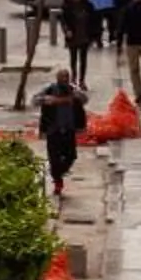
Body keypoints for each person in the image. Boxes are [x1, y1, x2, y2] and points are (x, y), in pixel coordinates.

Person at [37, 69, 88, 200]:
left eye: (66, 78)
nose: (64, 80)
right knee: (54, 157)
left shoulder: (73, 90)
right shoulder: (49, 90)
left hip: (69, 129)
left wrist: (75, 96)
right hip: (53, 130)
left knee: (71, 155)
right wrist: (49, 100)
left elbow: (84, 99)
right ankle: (57, 180)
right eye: (62, 78)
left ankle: (59, 172)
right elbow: (35, 100)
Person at [57, 0, 97, 87]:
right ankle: (73, 78)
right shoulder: (67, 6)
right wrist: (67, 31)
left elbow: (94, 21)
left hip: (85, 35)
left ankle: (82, 80)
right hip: (73, 36)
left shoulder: (88, 5)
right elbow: (63, 20)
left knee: (83, 59)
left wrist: (94, 36)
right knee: (73, 58)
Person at [119, 0, 141, 100]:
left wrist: (119, 42)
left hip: (133, 42)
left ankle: (140, 92)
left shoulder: (127, 9)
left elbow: (121, 26)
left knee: (135, 69)